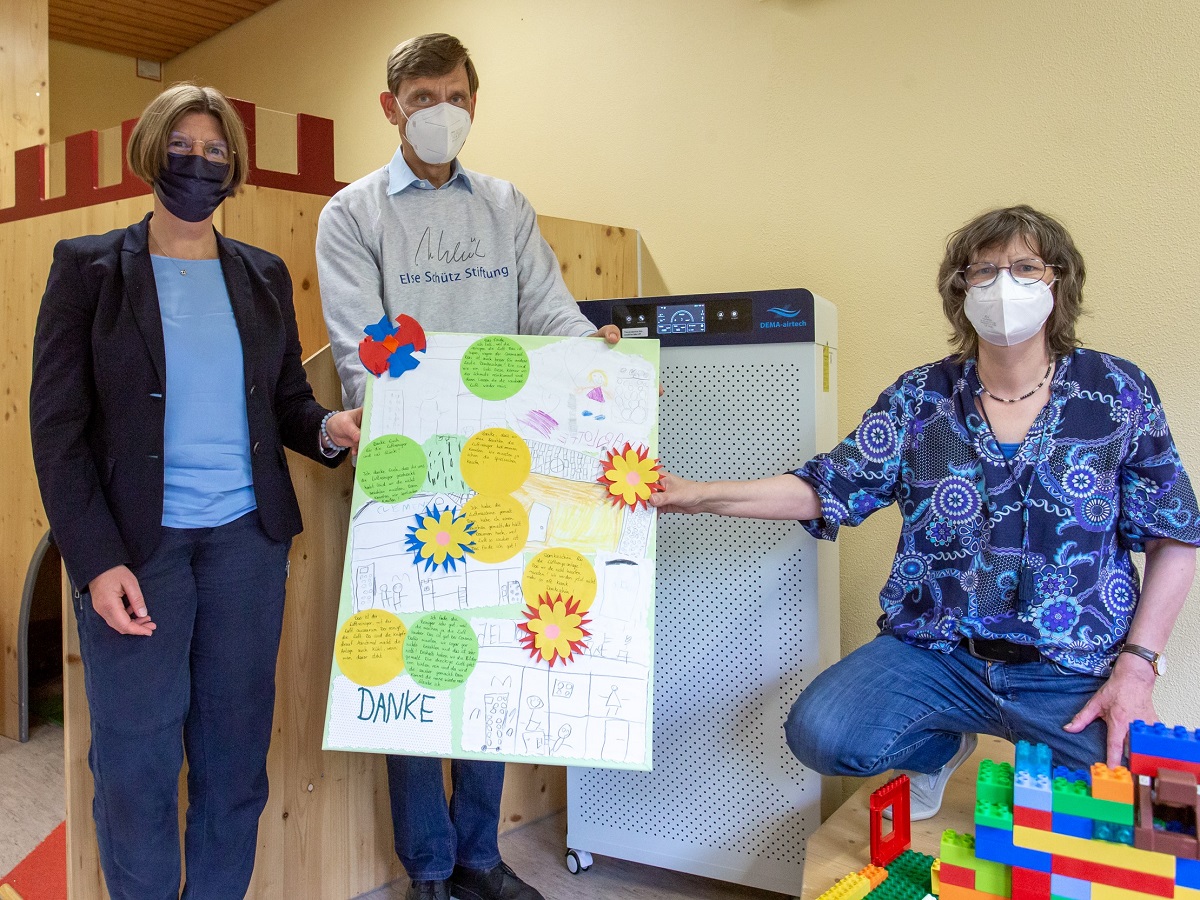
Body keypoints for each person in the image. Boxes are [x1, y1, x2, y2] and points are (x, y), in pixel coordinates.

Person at [650, 205, 1199, 820]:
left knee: (1112, 821)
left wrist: (1138, 668)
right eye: (984, 271)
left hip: (1069, 667)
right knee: (822, 733)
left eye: (1025, 268)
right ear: (960, 289)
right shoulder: (919, 399)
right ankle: (936, 749)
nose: (1003, 286)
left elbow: (1174, 537)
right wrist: (695, 494)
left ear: (1058, 283)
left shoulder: (1117, 391)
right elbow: (826, 487)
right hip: (938, 650)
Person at [30, 84, 362, 899]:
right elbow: (57, 430)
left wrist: (328, 430)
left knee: (234, 760)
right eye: (183, 145)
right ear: (151, 151)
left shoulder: (262, 275)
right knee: (137, 766)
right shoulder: (88, 270)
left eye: (216, 152)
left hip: (247, 550)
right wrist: (95, 560)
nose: (199, 162)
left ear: (234, 169)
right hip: (138, 556)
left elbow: (285, 400)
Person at [316, 33, 619, 900]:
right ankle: (429, 870)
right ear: (391, 108)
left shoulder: (506, 205)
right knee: (418, 663)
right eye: (421, 98)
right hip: (407, 469)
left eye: (454, 95)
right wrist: (449, 401)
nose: (439, 112)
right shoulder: (353, 214)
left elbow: (547, 311)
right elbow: (364, 347)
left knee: (493, 662)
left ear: (474, 103)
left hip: (508, 466)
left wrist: (592, 352)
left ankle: (482, 859)